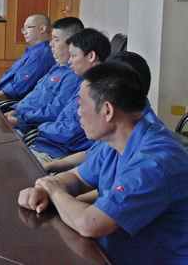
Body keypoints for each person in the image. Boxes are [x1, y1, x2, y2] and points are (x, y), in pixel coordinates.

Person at [18, 62, 188, 264]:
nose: (78, 112)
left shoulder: (155, 162)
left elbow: (90, 224)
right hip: (109, 252)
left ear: (107, 110)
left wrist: (53, 190)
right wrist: (42, 190)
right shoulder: (115, 140)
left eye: (81, 104)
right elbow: (77, 177)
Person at [43, 51, 164, 173]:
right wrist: (51, 167)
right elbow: (92, 156)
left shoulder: (148, 146)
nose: (79, 112)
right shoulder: (119, 123)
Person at [26, 28, 111, 163]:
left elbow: (69, 132)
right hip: (45, 144)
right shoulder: (85, 82)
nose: (70, 61)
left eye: (73, 56)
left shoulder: (97, 90)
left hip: (56, 154)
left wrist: (40, 127)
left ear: (91, 56)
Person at [6, 17, 84, 129]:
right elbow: (36, 96)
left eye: (56, 40)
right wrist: (16, 110)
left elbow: (54, 111)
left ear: (73, 44)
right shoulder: (57, 67)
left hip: (27, 125)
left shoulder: (73, 76)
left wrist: (21, 118)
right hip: (16, 113)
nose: (51, 44)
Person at [0, 14, 55, 102]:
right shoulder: (33, 50)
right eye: (23, 29)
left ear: (42, 29)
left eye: (28, 27)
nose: (24, 32)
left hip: (11, 103)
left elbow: (15, 89)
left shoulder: (41, 55)